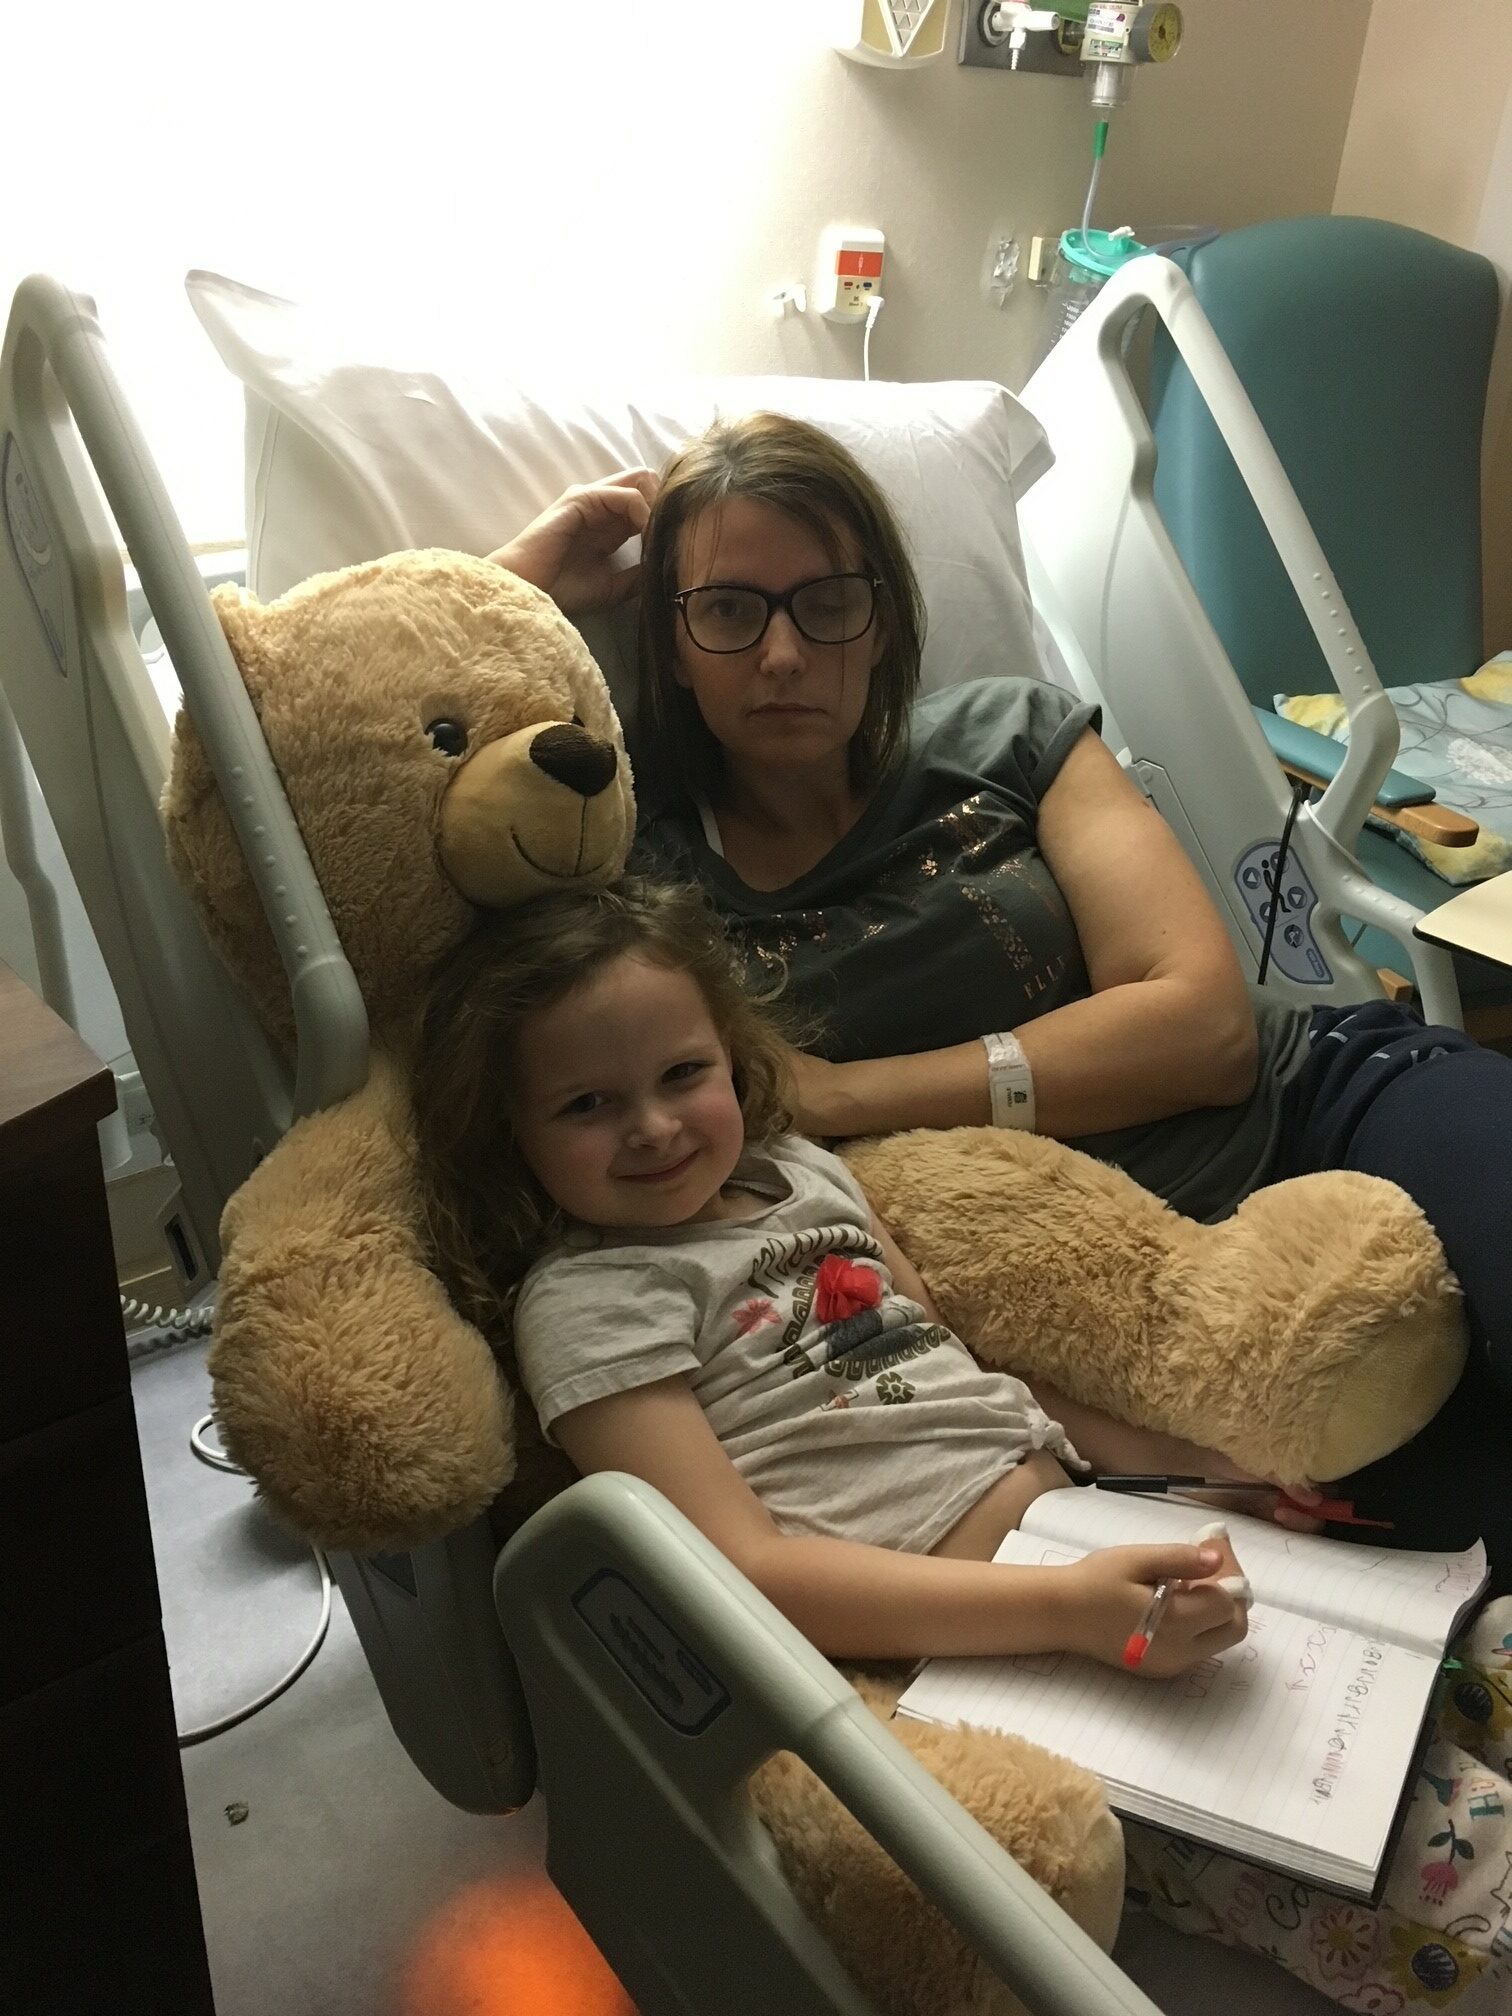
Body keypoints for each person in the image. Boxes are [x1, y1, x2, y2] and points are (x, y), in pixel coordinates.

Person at [488, 416, 1512, 1580]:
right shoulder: (643, 878)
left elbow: (1206, 1029)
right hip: (1118, 1298)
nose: (782, 655)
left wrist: (842, 1094)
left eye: (827, 601)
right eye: (728, 611)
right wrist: (517, 587)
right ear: (668, 644)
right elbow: (389, 799)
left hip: (1323, 1100)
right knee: (1449, 1526)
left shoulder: (1011, 734)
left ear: (883, 620)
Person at [413, 875, 1251, 1674]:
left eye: (683, 1074)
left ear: (733, 1057)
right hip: (966, 1636)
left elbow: (964, 1361)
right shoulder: (590, 1300)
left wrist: (1201, 1471)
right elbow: (745, 1572)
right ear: (508, 1132)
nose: (655, 1127)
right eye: (586, 1105)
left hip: (1078, 1541)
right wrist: (1065, 1609)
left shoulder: (805, 1171)